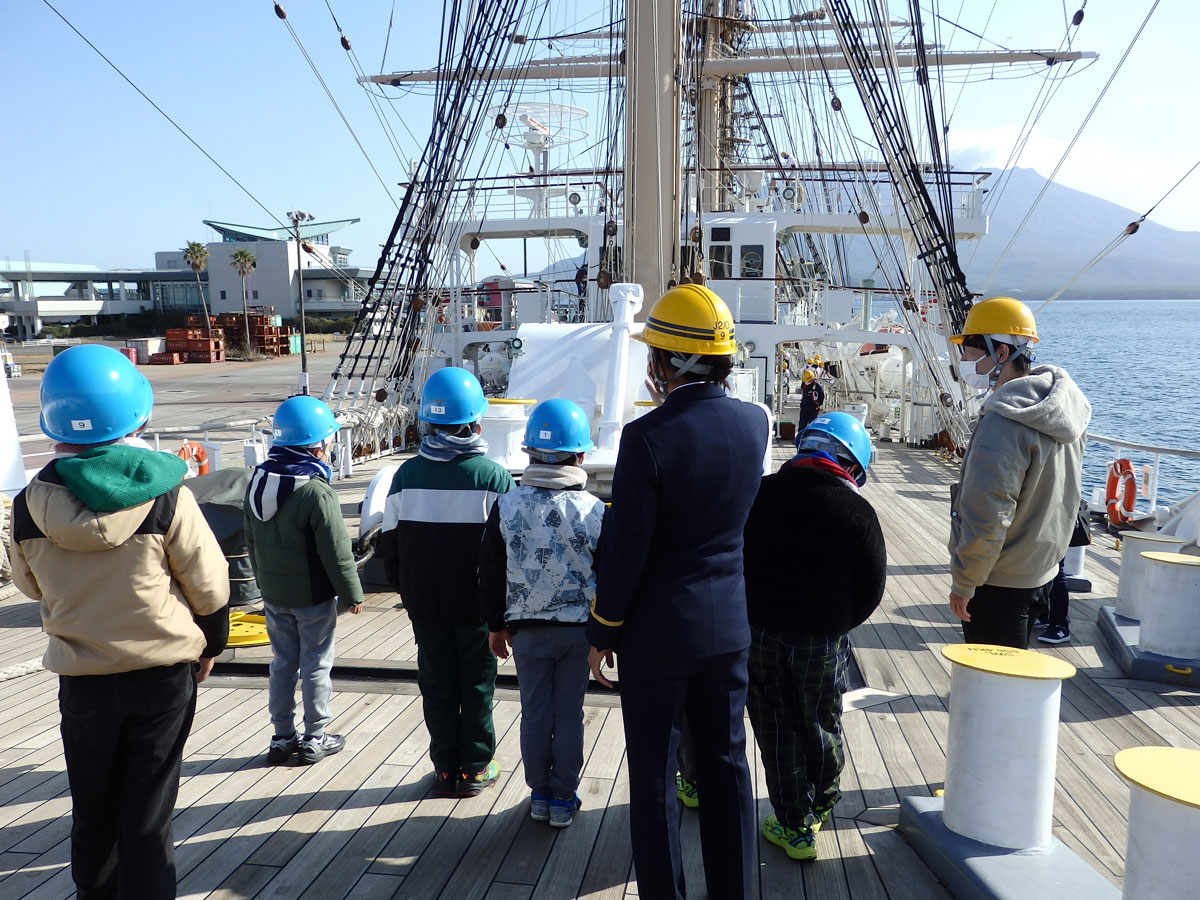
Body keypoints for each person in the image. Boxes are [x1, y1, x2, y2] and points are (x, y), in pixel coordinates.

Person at [7, 344, 230, 900]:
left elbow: (30, 586)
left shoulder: (27, 506)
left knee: (93, 809)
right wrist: (211, 644)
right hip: (160, 677)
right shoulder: (167, 496)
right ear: (136, 412)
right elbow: (209, 585)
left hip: (82, 681)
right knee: (147, 814)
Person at [586, 283, 769, 900]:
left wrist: (603, 629)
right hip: (729, 629)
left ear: (668, 362)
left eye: (653, 354)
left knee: (656, 782)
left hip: (658, 638)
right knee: (726, 769)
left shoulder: (646, 438)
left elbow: (627, 548)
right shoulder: (754, 425)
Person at [743, 412, 887, 861]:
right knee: (821, 720)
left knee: (775, 726)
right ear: (854, 465)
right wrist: (836, 622)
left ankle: (794, 825)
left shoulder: (760, 494)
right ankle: (822, 800)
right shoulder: (858, 512)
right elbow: (872, 588)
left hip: (761, 633)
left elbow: (738, 560)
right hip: (821, 641)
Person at [380, 366, 514, 797]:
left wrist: (409, 594)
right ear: (475, 423)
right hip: (476, 609)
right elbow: (510, 552)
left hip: (426, 607)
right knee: (476, 685)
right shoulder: (493, 478)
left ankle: (444, 769)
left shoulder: (404, 477)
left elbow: (389, 549)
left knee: (437, 684)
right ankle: (475, 768)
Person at [479, 398, 604, 828]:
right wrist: (605, 636)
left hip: (526, 633)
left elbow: (491, 573)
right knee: (569, 714)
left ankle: (538, 795)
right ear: (581, 455)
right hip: (578, 634)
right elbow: (608, 576)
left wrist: (497, 626)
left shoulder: (506, 505)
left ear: (528, 452)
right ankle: (564, 798)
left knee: (534, 713)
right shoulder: (596, 511)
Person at [947, 296, 1091, 648]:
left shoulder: (1002, 423)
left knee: (992, 687)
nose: (963, 361)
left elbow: (990, 516)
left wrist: (965, 583)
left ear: (999, 353)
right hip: (1042, 571)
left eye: (968, 351)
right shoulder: (1063, 407)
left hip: (999, 582)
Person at [244, 395, 364, 766]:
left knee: (282, 664)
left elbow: (250, 541)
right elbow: (337, 550)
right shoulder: (315, 490)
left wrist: (263, 585)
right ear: (317, 445)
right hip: (312, 597)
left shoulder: (256, 480)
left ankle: (282, 737)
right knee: (315, 664)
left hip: (274, 594)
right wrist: (352, 593)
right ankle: (316, 736)